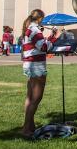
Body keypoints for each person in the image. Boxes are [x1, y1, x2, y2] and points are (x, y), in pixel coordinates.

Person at [21, 8, 58, 138]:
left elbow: (39, 44)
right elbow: (44, 47)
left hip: (29, 64)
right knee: (36, 98)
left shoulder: (29, 29)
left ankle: (30, 126)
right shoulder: (35, 30)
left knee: (30, 98)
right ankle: (26, 129)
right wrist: (54, 38)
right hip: (36, 65)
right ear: (40, 18)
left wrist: (49, 37)